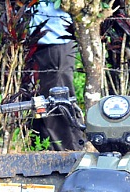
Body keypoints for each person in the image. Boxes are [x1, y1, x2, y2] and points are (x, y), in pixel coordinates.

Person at [29, 0, 85, 151]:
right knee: (39, 103)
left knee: (58, 101)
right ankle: (46, 154)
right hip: (37, 44)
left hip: (55, 41)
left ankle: (69, 155)